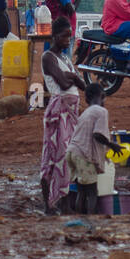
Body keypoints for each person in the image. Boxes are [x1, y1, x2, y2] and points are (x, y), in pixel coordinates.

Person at [39, 16, 84, 213]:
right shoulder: (48, 57)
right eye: (64, 37)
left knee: (67, 156)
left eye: (69, 37)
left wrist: (72, 77)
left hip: (71, 113)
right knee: (55, 157)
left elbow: (83, 84)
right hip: (60, 113)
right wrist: (73, 77)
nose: (67, 41)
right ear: (54, 36)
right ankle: (53, 204)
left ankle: (63, 202)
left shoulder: (64, 58)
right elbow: (64, 83)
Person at [65, 82, 116, 214]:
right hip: (83, 156)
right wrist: (112, 146)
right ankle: (90, 221)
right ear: (102, 95)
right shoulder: (101, 111)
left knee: (82, 191)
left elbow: (86, 137)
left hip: (72, 152)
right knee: (92, 192)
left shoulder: (86, 113)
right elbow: (97, 135)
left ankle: (80, 220)